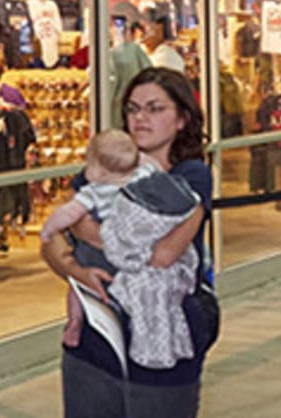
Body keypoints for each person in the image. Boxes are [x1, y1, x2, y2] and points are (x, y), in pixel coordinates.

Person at [43, 67, 214, 417]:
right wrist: (76, 269)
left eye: (154, 109)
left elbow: (164, 255)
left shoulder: (189, 177)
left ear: (181, 119)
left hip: (161, 345)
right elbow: (50, 243)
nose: (140, 119)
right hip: (95, 340)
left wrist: (86, 232)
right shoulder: (109, 166)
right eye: (133, 109)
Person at [42, 131, 163, 348]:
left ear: (98, 170)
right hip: (135, 260)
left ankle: (75, 320)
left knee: (80, 288)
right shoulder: (143, 176)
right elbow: (155, 169)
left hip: (99, 258)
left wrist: (49, 229)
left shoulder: (94, 192)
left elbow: (68, 214)